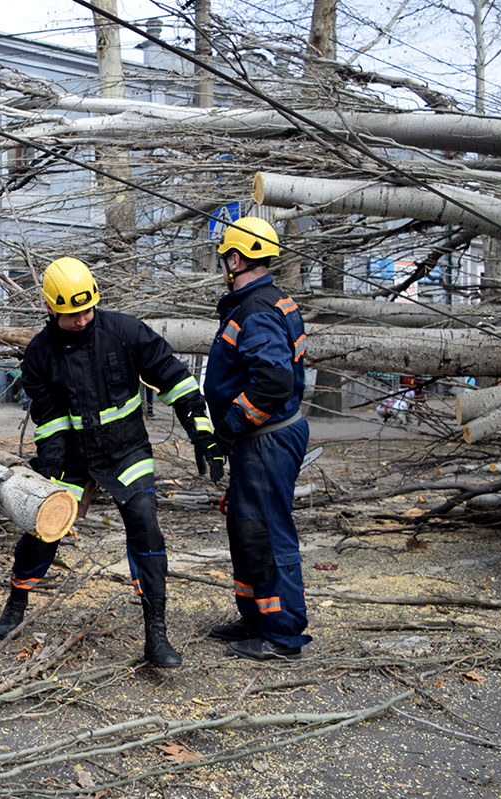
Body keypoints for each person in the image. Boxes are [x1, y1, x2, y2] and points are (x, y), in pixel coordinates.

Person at [0, 257, 223, 668]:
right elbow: (49, 422)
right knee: (44, 530)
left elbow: (175, 378)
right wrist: (51, 476)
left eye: (87, 310)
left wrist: (201, 432)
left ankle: (157, 635)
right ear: (50, 308)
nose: (82, 320)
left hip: (126, 451)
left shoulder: (124, 332)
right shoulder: (39, 354)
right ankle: (18, 595)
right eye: (70, 314)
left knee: (145, 527)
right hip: (75, 459)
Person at [204, 217, 311, 661]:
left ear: (235, 258)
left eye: (224, 257)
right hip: (258, 438)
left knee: (266, 532)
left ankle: (283, 634)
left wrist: (230, 426)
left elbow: (272, 381)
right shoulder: (264, 301)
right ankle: (256, 617)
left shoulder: (256, 310)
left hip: (265, 437)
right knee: (247, 528)